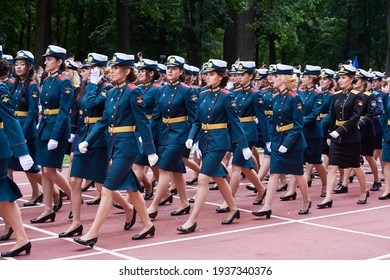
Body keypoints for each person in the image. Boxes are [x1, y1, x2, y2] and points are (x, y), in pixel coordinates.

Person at [73, 53, 158, 247]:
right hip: (114, 144)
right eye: (110, 68)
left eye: (115, 68)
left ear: (127, 71)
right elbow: (103, 121)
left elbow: (143, 122)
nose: (110, 72)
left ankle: (92, 233)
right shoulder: (111, 92)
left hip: (127, 147)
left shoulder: (133, 92)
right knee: (132, 188)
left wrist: (150, 150)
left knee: (108, 188)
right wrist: (88, 140)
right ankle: (147, 224)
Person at [179, 59, 250, 233]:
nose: (207, 77)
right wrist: (191, 137)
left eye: (211, 74)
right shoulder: (202, 94)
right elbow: (197, 121)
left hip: (219, 142)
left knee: (203, 179)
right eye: (206, 74)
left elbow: (235, 123)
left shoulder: (227, 96)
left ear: (220, 76)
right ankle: (233, 209)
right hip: (204, 140)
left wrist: (244, 146)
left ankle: (192, 220)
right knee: (218, 176)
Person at [252, 64, 311, 219]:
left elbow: (298, 125)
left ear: (284, 79)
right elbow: (272, 121)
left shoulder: (294, 98)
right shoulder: (275, 97)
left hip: (293, 142)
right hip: (278, 139)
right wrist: (271, 140)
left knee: (297, 173)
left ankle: (306, 200)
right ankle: (267, 206)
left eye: (277, 76)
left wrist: (287, 144)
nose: (273, 79)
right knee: (274, 173)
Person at [146, 55, 196, 219]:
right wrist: (149, 136)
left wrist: (192, 137)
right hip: (164, 133)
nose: (170, 71)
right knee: (177, 170)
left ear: (181, 71)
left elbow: (194, 117)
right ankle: (184, 203)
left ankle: (153, 206)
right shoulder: (162, 90)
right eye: (168, 68)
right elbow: (156, 115)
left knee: (164, 168)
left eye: (174, 68)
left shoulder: (187, 90)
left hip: (180, 134)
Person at [216, 61, 269, 212]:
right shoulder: (235, 93)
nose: (239, 77)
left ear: (251, 76)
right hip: (234, 130)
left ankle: (229, 201)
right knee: (245, 167)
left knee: (236, 166)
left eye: (243, 74)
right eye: (237, 75)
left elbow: (263, 118)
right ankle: (260, 188)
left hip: (247, 132)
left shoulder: (256, 94)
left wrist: (267, 140)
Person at [31, 45, 73, 223]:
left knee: (50, 170)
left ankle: (74, 198)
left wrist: (55, 135)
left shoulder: (65, 81)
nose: (46, 61)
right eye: (46, 59)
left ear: (59, 61)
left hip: (57, 128)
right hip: (44, 127)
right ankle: (48, 209)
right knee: (44, 169)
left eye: (49, 59)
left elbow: (64, 111)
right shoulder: (47, 81)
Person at [317, 64, 367, 208]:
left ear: (351, 79)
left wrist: (339, 131)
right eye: (339, 77)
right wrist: (328, 133)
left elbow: (355, 118)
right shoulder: (336, 96)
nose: (340, 80)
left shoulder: (357, 96)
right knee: (332, 166)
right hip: (336, 137)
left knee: (355, 166)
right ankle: (328, 197)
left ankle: (364, 191)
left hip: (351, 137)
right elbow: (332, 116)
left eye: (344, 78)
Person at [0, 58, 34, 257]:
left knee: (4, 196)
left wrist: (22, 152)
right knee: (3, 198)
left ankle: (22, 238)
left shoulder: (1, 89)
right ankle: (22, 238)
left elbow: (11, 121)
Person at [284, 65, 327, 198]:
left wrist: (298, 123)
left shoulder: (318, 94)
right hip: (300, 132)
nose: (302, 79)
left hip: (313, 133)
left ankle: (325, 185)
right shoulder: (300, 93)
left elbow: (314, 114)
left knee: (316, 161)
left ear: (311, 79)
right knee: (296, 160)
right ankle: (291, 190)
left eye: (305, 76)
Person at [7, 50, 43, 206]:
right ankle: (34, 194)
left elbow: (32, 113)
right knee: (12, 164)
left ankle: (53, 192)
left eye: (22, 64)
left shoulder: (32, 86)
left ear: (29, 66)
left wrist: (23, 134)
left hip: (25, 130)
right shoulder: (16, 84)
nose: (18, 67)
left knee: (30, 167)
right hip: (16, 127)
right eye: (16, 64)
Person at [133, 58, 161, 200]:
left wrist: (146, 133)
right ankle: (163, 191)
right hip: (137, 128)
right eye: (139, 71)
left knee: (138, 164)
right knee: (151, 163)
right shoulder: (137, 88)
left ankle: (130, 197)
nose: (140, 73)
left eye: (143, 71)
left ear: (151, 73)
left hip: (150, 129)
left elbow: (156, 114)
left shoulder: (157, 89)